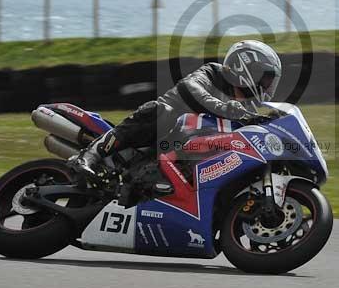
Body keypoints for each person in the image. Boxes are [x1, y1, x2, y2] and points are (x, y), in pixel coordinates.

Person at [68, 40, 282, 195]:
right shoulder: (213, 73)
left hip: (184, 149)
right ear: (245, 67)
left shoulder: (244, 107)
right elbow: (190, 87)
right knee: (160, 111)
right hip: (160, 129)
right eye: (266, 78)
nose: (267, 85)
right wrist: (225, 108)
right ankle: (88, 156)